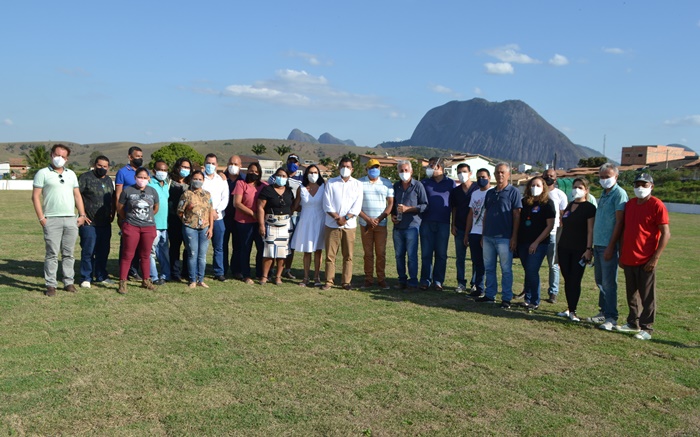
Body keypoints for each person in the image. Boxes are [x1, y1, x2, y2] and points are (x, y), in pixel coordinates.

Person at [617, 173, 670, 340]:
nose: (640, 188)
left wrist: (655, 258)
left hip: (646, 259)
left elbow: (665, 233)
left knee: (647, 295)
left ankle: (647, 328)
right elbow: (625, 230)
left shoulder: (657, 205)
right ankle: (633, 322)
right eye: (637, 184)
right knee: (631, 293)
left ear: (651, 186)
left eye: (644, 184)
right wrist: (622, 254)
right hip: (629, 257)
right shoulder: (630, 204)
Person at [32, 144, 88, 296]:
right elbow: (35, 196)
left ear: (67, 159)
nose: (60, 159)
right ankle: (51, 284)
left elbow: (77, 195)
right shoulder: (42, 173)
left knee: (69, 253)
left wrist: (82, 214)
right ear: (51, 155)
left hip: (70, 219)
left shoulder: (71, 174)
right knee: (52, 253)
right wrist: (41, 218)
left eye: (63, 156)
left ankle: (68, 282)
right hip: (51, 219)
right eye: (57, 155)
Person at [477, 162, 523, 308]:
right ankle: (490, 295)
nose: (500, 174)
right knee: (489, 267)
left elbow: (517, 215)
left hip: (504, 237)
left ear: (508, 175)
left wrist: (514, 237)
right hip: (488, 237)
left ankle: (506, 298)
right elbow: (485, 215)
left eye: (503, 172)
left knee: (506, 269)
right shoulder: (490, 193)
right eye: (497, 172)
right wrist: (483, 235)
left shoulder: (513, 192)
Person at [589, 163, 628, 330]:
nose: (604, 180)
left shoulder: (619, 194)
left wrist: (612, 246)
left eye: (608, 176)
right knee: (600, 281)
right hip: (598, 244)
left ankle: (611, 317)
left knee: (609, 282)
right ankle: (603, 312)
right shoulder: (603, 194)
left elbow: (619, 222)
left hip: (608, 245)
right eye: (602, 177)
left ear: (616, 177)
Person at [556, 178, 596, 322]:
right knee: (567, 278)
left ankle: (573, 311)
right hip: (564, 247)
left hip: (580, 249)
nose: (576, 190)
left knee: (575, 279)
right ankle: (569, 307)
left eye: (580, 187)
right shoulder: (569, 205)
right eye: (575, 187)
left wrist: (588, 249)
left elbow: (590, 230)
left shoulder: (589, 208)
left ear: (586, 190)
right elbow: (563, 225)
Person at [321, 157, 363, 290]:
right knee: (330, 255)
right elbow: (326, 204)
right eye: (343, 166)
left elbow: (357, 206)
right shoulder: (331, 183)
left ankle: (346, 282)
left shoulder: (357, 184)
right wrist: (337, 218)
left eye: (348, 167)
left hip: (349, 226)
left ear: (352, 169)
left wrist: (346, 218)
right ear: (339, 168)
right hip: (332, 224)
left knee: (348, 255)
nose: (345, 169)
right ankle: (329, 281)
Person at [117, 167, 159, 294]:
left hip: (148, 227)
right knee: (128, 254)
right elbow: (120, 208)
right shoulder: (128, 191)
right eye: (140, 177)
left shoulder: (152, 191)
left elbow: (156, 208)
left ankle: (146, 280)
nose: (142, 180)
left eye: (145, 177)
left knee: (146, 255)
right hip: (132, 226)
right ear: (135, 177)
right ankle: (122, 282)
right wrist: (128, 220)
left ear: (149, 179)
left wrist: (147, 218)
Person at [516, 177, 556, 310]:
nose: (535, 187)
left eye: (538, 185)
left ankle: (535, 300)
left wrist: (536, 242)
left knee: (532, 270)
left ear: (543, 187)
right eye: (532, 185)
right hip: (523, 242)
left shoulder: (548, 204)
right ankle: (527, 299)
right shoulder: (524, 202)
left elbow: (549, 226)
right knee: (527, 270)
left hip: (539, 244)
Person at [77, 155, 115, 288]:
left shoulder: (109, 180)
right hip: (89, 223)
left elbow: (113, 198)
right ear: (94, 165)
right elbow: (77, 196)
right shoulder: (85, 178)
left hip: (105, 223)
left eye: (105, 166)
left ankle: (101, 275)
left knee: (103, 251)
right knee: (88, 250)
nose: (102, 168)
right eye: (100, 166)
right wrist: (82, 214)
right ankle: (86, 277)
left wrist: (113, 213)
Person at [358, 159, 395, 290]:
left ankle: (381, 279)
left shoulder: (387, 183)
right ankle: (368, 279)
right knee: (368, 253)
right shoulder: (359, 183)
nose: (374, 170)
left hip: (381, 224)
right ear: (366, 169)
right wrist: (368, 219)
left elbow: (390, 203)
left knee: (381, 253)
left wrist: (379, 219)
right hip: (365, 224)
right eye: (372, 167)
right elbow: (356, 204)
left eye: (377, 167)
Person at [420, 157, 455, 291]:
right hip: (426, 222)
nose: (429, 168)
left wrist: (453, 223)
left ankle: (438, 281)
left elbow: (454, 205)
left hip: (444, 223)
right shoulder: (424, 182)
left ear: (439, 167)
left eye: (431, 166)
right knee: (426, 253)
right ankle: (425, 280)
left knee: (441, 254)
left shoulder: (450, 184)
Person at [392, 160, 428, 290]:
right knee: (398, 255)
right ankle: (402, 280)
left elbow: (425, 205)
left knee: (412, 256)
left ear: (411, 171)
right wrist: (393, 215)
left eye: (406, 170)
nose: (404, 173)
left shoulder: (418, 186)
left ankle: (413, 282)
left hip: (412, 226)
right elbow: (392, 204)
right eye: (401, 171)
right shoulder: (396, 186)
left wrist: (409, 209)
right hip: (398, 227)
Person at [268, 154, 304, 279]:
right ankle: (271, 269)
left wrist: (294, 209)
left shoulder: (301, 179)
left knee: (290, 245)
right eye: (290, 161)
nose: (292, 164)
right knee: (274, 242)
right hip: (277, 216)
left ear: (298, 164)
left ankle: (287, 269)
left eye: (295, 162)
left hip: (294, 215)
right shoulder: (275, 177)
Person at [258, 167, 295, 285]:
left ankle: (278, 277)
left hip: (285, 225)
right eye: (279, 175)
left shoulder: (289, 191)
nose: (281, 178)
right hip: (270, 224)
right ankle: (265, 276)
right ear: (275, 176)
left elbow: (293, 205)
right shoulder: (267, 190)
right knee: (268, 252)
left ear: (287, 178)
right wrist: (261, 225)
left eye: (284, 176)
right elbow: (260, 207)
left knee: (282, 252)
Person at [291, 165, 326, 287]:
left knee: (318, 251)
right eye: (310, 172)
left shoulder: (324, 187)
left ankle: (316, 277)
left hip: (320, 221)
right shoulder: (301, 188)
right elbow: (295, 205)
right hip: (306, 221)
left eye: (315, 172)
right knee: (307, 251)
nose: (313, 174)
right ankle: (305, 277)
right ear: (306, 174)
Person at [178, 170, 214, 288]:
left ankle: (201, 279)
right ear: (191, 179)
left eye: (200, 179)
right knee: (192, 254)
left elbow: (210, 211)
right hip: (190, 227)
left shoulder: (207, 194)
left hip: (204, 227)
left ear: (203, 181)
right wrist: (188, 208)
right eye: (195, 179)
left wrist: (211, 228)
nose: (197, 181)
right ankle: (192, 279)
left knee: (202, 256)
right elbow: (179, 211)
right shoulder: (186, 194)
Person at [233, 162, 267, 284]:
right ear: (247, 171)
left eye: (256, 172)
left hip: (259, 223)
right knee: (245, 248)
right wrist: (253, 214)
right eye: (251, 171)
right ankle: (245, 274)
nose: (253, 173)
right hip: (244, 222)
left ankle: (259, 273)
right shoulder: (241, 184)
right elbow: (237, 203)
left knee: (261, 248)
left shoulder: (264, 186)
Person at [115, 146, 145, 280]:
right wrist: (120, 214)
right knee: (127, 244)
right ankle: (124, 272)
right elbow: (118, 194)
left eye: (141, 156)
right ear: (130, 157)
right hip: (127, 214)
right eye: (137, 156)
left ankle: (134, 270)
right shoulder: (122, 172)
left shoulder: (143, 173)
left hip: (142, 215)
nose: (139, 158)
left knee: (139, 244)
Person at [464, 168, 492, 298]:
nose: (481, 179)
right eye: (479, 177)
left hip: (486, 233)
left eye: (483, 177)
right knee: (477, 261)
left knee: (487, 263)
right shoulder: (475, 194)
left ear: (489, 178)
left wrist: (484, 234)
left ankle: (488, 289)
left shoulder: (492, 193)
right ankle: (478, 288)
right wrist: (467, 233)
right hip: (474, 232)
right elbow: (471, 214)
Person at [450, 163, 478, 293]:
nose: (462, 174)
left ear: (470, 173)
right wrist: (453, 224)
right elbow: (454, 209)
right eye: (459, 172)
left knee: (475, 258)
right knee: (460, 257)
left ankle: (475, 283)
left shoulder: (477, 188)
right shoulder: (455, 191)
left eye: (464, 171)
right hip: (460, 228)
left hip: (475, 229)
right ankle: (461, 283)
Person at [202, 153, 229, 282]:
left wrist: (216, 211)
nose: (210, 165)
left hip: (218, 218)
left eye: (213, 163)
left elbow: (225, 198)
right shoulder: (200, 179)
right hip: (203, 218)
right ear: (204, 163)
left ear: (217, 165)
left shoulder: (221, 180)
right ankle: (198, 271)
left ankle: (219, 272)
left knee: (219, 247)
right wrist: (209, 211)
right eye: (208, 163)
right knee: (201, 246)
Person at [543, 168, 569, 304]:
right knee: (531, 265)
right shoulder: (537, 192)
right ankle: (528, 289)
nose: (548, 177)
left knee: (553, 265)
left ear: (555, 179)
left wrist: (562, 236)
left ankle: (553, 292)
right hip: (537, 235)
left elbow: (563, 217)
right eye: (546, 175)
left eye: (551, 176)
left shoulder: (560, 195)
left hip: (553, 234)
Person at [167, 158, 191, 281]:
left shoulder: (191, 184)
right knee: (175, 246)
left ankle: (186, 271)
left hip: (187, 220)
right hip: (173, 219)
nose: (185, 170)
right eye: (183, 167)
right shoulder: (169, 182)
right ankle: (174, 272)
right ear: (177, 167)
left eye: (188, 167)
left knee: (188, 246)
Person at [148, 160, 171, 285]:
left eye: (165, 170)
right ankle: (153, 276)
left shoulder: (166, 184)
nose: (163, 172)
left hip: (164, 225)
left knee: (163, 251)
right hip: (153, 224)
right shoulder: (150, 183)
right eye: (160, 170)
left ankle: (165, 275)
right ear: (154, 171)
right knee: (151, 252)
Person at [223, 155, 244, 279]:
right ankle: (222, 270)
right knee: (222, 245)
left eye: (236, 164)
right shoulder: (221, 178)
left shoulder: (244, 180)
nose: (233, 166)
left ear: (241, 166)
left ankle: (236, 270)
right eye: (231, 163)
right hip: (224, 217)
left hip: (238, 217)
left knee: (238, 245)